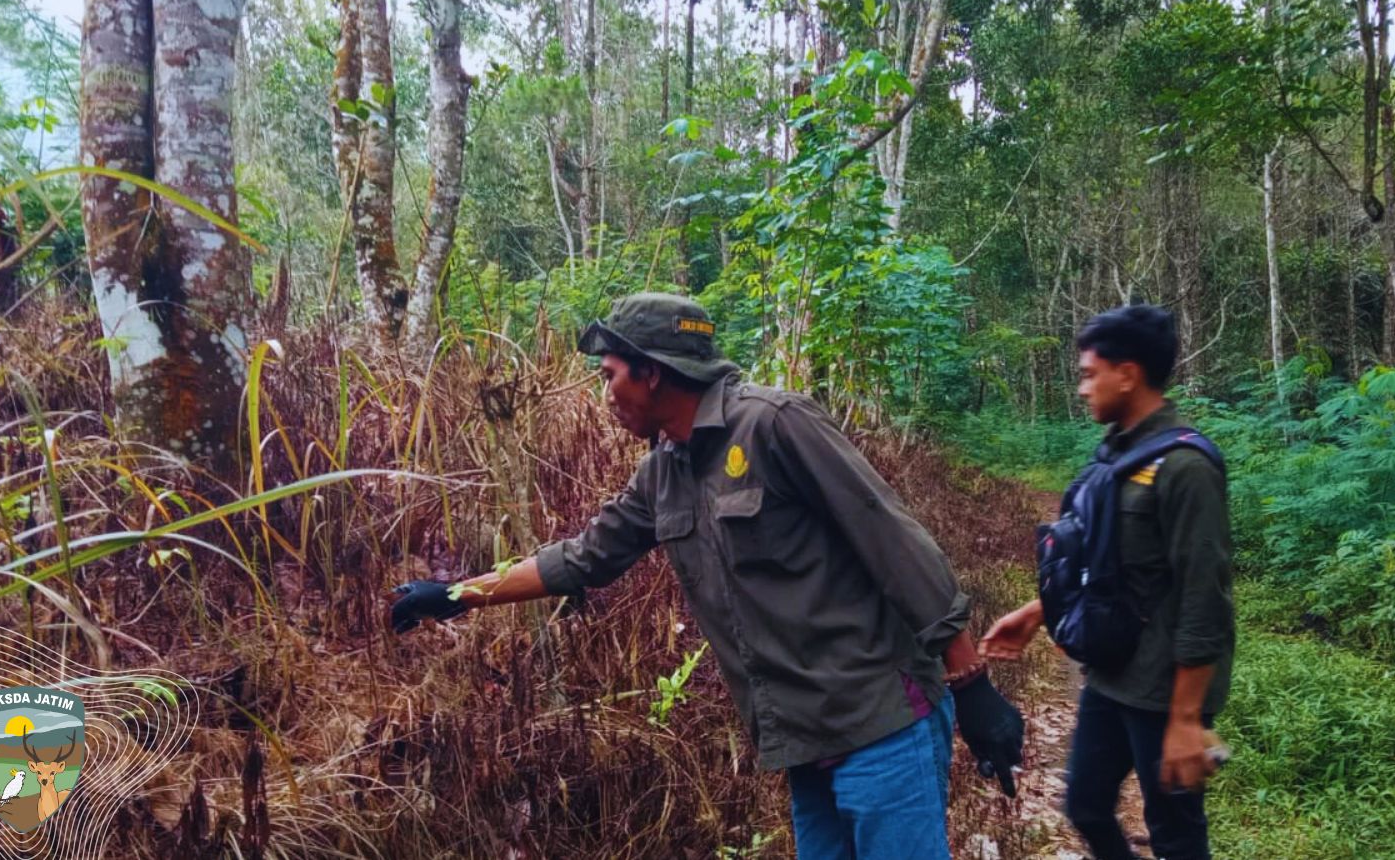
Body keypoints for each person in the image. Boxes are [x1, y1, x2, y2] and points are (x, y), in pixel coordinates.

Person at [391, 292, 1024, 859]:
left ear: (653, 371)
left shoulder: (775, 425)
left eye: (610, 375)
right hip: (804, 741)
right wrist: (457, 594)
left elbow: (892, 539)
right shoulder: (664, 471)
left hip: (883, 723)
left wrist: (970, 684)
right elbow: (584, 556)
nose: (605, 392)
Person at [979, 305, 1234, 860]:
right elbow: (1107, 564)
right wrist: (1033, 612)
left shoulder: (1186, 467)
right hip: (1114, 672)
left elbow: (1204, 595)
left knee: (1175, 833)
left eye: (1089, 373)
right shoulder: (1118, 455)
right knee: (1087, 805)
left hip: (1166, 688)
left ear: (1128, 373)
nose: (1082, 388)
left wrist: (1187, 719)